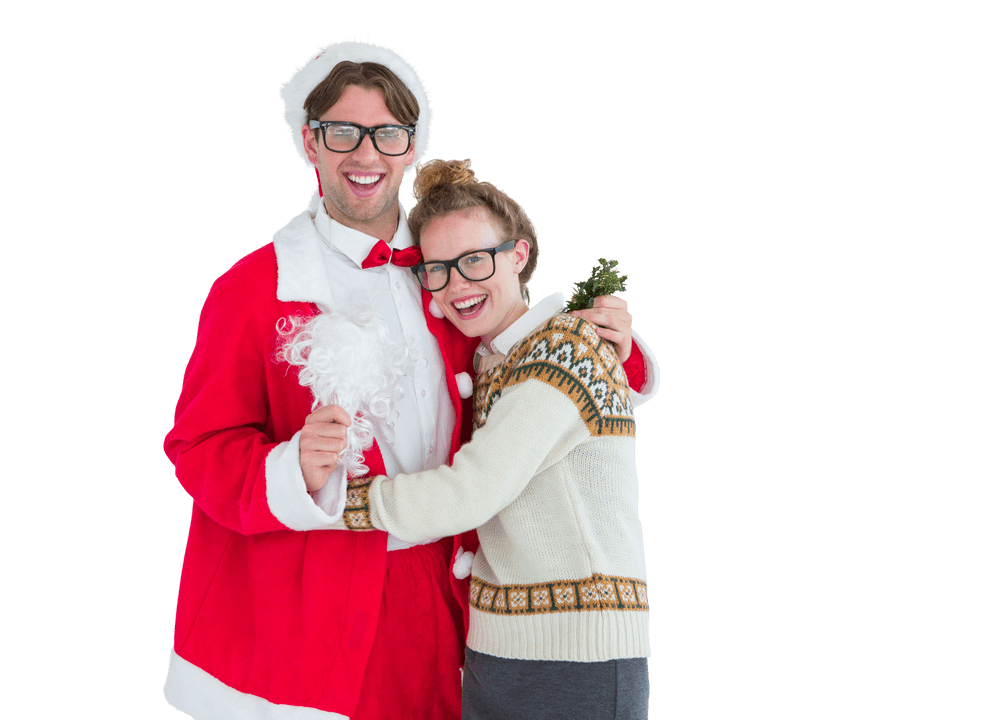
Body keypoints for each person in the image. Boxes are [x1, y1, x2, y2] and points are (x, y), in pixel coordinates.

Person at [162, 39, 659, 720]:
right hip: (316, 603)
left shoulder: (449, 272)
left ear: (412, 147)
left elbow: (522, 349)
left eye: (387, 134)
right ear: (310, 144)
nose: (365, 155)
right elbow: (199, 449)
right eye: (343, 132)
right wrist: (291, 469)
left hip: (463, 607)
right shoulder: (250, 292)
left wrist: (616, 348)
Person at [321, 158, 655, 720]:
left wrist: (340, 499)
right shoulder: (491, 361)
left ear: (518, 255)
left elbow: (472, 490)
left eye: (475, 260)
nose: (458, 285)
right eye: (438, 269)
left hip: (579, 655)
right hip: (498, 648)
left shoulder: (565, 349)